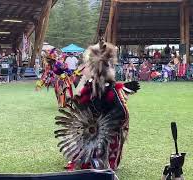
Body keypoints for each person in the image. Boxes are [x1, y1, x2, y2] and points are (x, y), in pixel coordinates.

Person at [55, 40, 140, 171]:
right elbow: (82, 105)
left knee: (100, 166)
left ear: (95, 67)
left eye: (87, 65)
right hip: (91, 133)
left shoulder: (110, 90)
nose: (83, 68)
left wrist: (105, 125)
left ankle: (100, 161)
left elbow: (122, 114)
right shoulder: (89, 86)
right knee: (85, 160)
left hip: (107, 137)